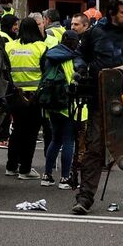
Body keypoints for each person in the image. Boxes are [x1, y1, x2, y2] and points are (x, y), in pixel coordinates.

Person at [71, 0, 123, 214]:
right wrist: (81, 70)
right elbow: (80, 56)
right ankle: (85, 198)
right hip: (100, 97)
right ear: (112, 12)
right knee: (94, 147)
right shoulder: (95, 33)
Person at [3, 17, 52, 179]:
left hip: (14, 96)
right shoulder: (41, 47)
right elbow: (46, 73)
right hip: (34, 97)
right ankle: (25, 169)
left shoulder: (9, 46)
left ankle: (11, 166)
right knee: (31, 134)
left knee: (17, 130)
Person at [38, 27, 83, 188]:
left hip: (51, 104)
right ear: (73, 42)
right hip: (68, 104)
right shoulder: (73, 58)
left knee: (55, 140)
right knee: (68, 140)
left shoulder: (50, 54)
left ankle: (47, 175)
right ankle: (64, 178)